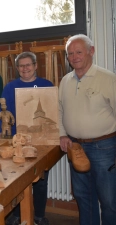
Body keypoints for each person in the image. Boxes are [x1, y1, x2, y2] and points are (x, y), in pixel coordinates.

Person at [59, 34, 116, 225]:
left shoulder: (108, 79)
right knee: (84, 199)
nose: (74, 57)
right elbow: (59, 110)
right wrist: (62, 135)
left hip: (105, 148)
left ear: (91, 51)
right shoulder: (65, 81)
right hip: (75, 148)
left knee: (109, 201)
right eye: (70, 54)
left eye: (79, 52)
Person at [0, 52, 53, 225]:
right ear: (17, 69)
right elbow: (1, 113)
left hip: (41, 143)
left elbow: (52, 112)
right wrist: (1, 131)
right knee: (16, 180)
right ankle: (16, 216)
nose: (25, 68)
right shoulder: (9, 87)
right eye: (21, 66)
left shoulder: (46, 85)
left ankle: (39, 216)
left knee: (40, 181)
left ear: (35, 66)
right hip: (17, 143)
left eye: (28, 65)